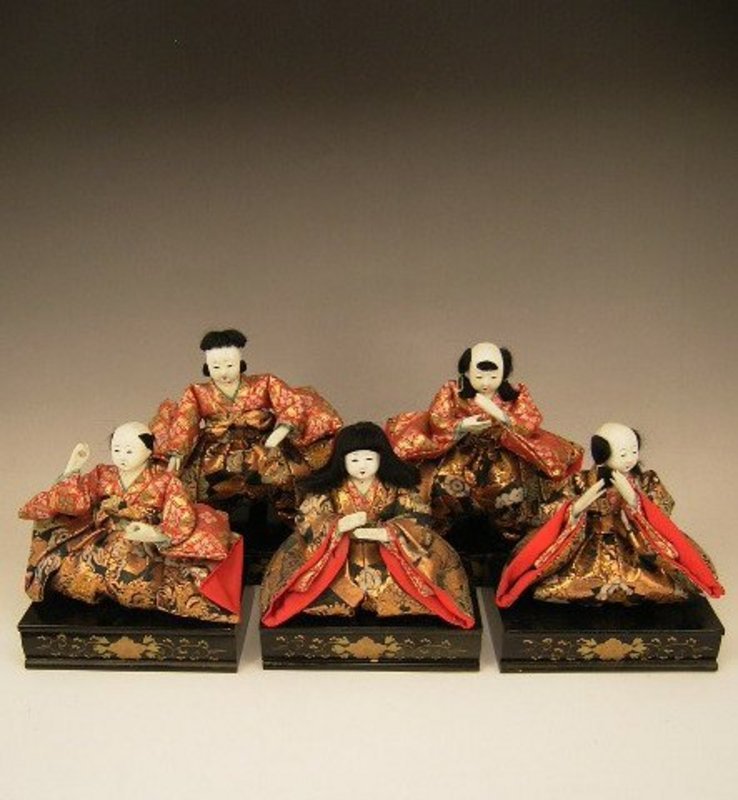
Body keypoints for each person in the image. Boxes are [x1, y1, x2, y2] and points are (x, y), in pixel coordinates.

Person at [19, 422, 243, 622]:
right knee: (71, 571)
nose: (122, 457)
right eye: (116, 450)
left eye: (129, 451)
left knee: (135, 581)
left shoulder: (164, 480)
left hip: (143, 542)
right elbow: (76, 501)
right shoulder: (103, 474)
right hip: (104, 536)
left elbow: (182, 515)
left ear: (149, 450)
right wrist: (73, 467)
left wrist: (154, 534)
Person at [260, 422, 475, 628]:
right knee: (311, 584)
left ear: (382, 459)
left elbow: (417, 515)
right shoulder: (330, 487)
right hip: (339, 552)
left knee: (421, 581)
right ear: (342, 461)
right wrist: (338, 524)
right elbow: (310, 515)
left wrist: (387, 532)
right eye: (354, 460)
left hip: (387, 550)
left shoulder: (396, 486)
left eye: (369, 459)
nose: (362, 465)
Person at [496, 422, 724, 607]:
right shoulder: (580, 481)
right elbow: (547, 511)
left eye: (634, 451)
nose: (630, 459)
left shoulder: (645, 481)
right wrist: (580, 504)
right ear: (602, 454)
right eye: (623, 453)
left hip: (633, 546)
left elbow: (662, 514)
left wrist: (634, 499)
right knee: (553, 588)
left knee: (665, 587)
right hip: (587, 546)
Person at [386, 342, 582, 540]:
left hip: (502, 453)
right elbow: (438, 418)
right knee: (443, 484)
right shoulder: (453, 392)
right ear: (467, 372)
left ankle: (510, 538)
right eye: (479, 377)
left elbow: (530, 421)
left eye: (493, 377)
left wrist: (502, 416)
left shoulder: (515, 396)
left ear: (504, 374)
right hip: (461, 452)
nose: (486, 382)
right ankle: (444, 536)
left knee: (511, 490)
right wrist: (462, 425)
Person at [160, 328, 342, 523]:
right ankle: (215, 524)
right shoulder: (197, 392)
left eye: (230, 365)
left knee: (286, 478)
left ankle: (280, 522)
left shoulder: (264, 382)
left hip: (262, 443)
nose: (223, 372)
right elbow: (185, 421)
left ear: (240, 361)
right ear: (207, 366)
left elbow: (290, 402)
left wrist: (282, 429)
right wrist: (177, 452)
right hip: (216, 448)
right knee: (201, 485)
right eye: (216, 367)